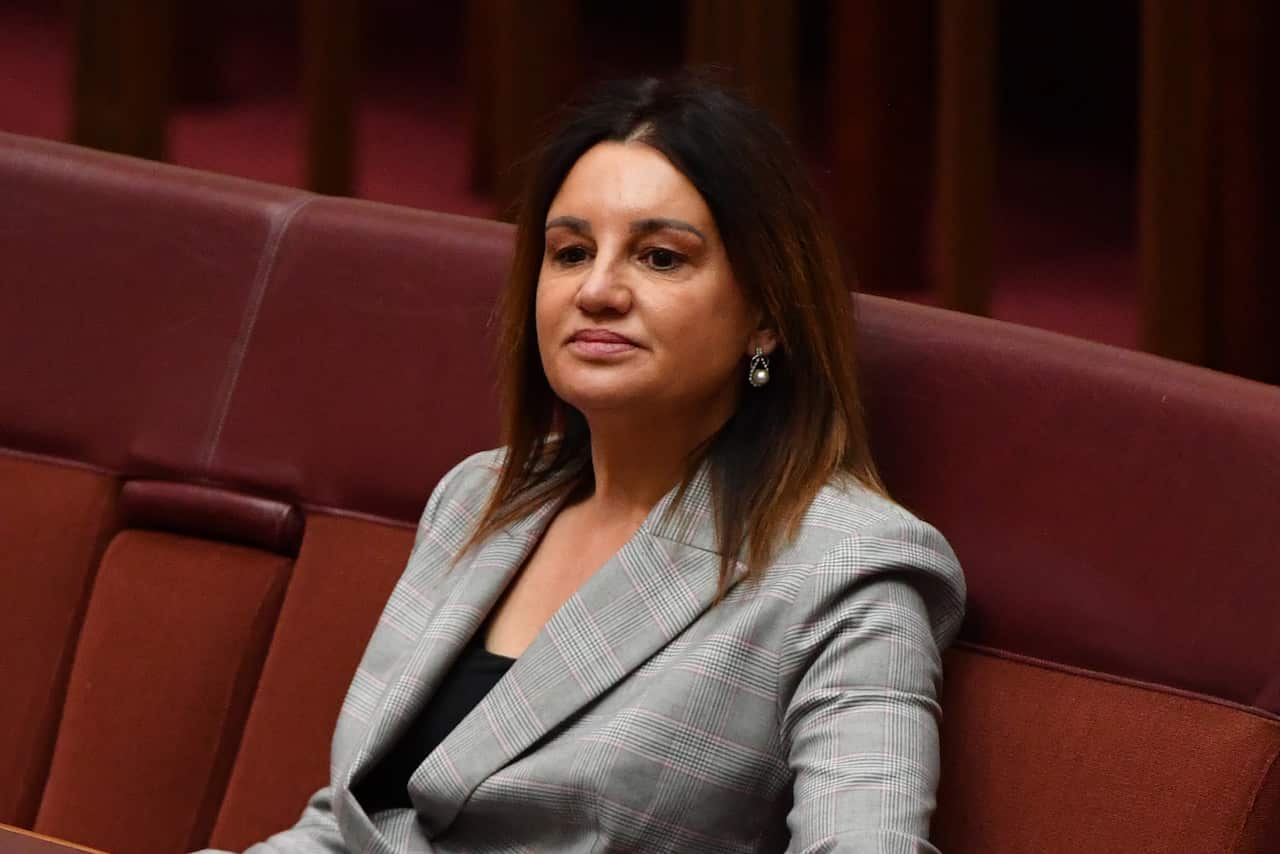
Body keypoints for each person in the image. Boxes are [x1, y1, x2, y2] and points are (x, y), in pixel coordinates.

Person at [209, 74, 965, 854]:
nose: (598, 290)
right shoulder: (481, 497)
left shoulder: (847, 565)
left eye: (661, 258)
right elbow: (355, 823)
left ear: (768, 317)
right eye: (571, 252)